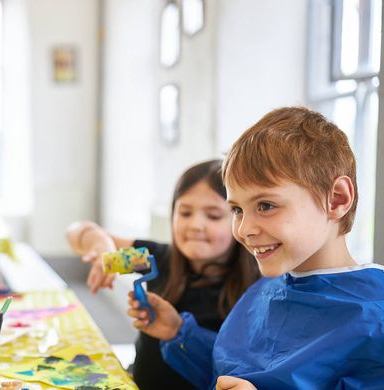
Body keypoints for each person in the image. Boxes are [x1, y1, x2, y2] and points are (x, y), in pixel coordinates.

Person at [128, 107, 384, 389]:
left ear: (336, 200)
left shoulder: (373, 316)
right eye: (237, 209)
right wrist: (178, 333)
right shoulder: (264, 291)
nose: (243, 229)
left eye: (266, 205)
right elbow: (230, 373)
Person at [67, 159, 260, 389]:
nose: (196, 225)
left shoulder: (257, 284)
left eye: (213, 216)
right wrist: (102, 244)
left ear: (239, 220)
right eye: (185, 213)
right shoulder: (154, 257)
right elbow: (76, 232)